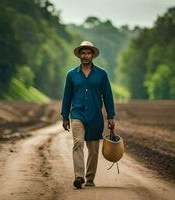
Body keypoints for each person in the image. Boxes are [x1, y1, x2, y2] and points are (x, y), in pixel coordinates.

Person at [61, 41, 115, 189]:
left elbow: (108, 96)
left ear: (92, 55)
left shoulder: (102, 75)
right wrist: (65, 116)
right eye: (83, 53)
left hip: (95, 117)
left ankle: (90, 178)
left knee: (93, 149)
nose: (85, 55)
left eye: (88, 53)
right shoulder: (71, 75)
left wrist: (111, 116)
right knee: (78, 142)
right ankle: (79, 176)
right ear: (79, 55)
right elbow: (67, 97)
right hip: (77, 114)